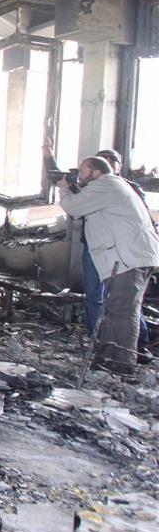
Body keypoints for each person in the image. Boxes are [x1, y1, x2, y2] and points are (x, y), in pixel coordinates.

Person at [58, 156, 159, 374]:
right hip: (127, 258)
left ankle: (121, 363)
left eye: (83, 171)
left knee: (123, 310)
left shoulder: (106, 185)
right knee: (115, 309)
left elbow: (74, 208)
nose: (79, 175)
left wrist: (64, 189)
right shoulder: (110, 186)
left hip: (128, 259)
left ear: (95, 172)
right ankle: (108, 358)